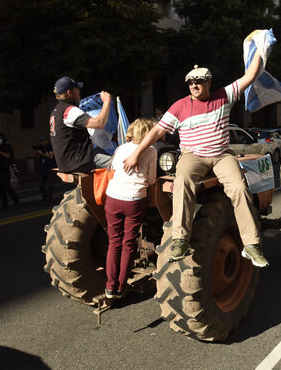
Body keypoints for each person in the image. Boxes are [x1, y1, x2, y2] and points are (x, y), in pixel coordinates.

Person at [123, 53, 269, 267]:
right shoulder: (179, 107)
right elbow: (156, 132)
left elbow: (251, 75)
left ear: (208, 82)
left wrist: (259, 49)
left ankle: (251, 245)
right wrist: (136, 153)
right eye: (191, 82)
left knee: (239, 186)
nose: (194, 85)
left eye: (199, 82)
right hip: (193, 156)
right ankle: (180, 239)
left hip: (220, 156)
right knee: (182, 182)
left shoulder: (224, 96)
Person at [104, 118, 157, 299]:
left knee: (114, 242)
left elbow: (113, 169)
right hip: (134, 200)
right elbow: (151, 181)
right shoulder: (151, 151)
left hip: (113, 197)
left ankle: (110, 287)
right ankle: (120, 286)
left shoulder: (120, 148)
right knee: (128, 244)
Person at [49, 76, 113, 173]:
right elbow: (99, 123)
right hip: (79, 161)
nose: (79, 91)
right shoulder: (70, 111)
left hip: (67, 161)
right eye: (76, 89)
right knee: (119, 163)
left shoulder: (56, 111)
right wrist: (107, 102)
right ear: (69, 93)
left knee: (102, 151)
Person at [34, 136, 55, 204]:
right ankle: (44, 198)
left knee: (49, 185)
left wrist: (41, 154)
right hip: (41, 168)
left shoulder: (50, 146)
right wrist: (37, 153)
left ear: (46, 140)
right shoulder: (40, 148)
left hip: (49, 168)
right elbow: (37, 157)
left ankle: (50, 198)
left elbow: (51, 156)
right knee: (41, 185)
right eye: (41, 141)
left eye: (43, 140)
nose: (42, 142)